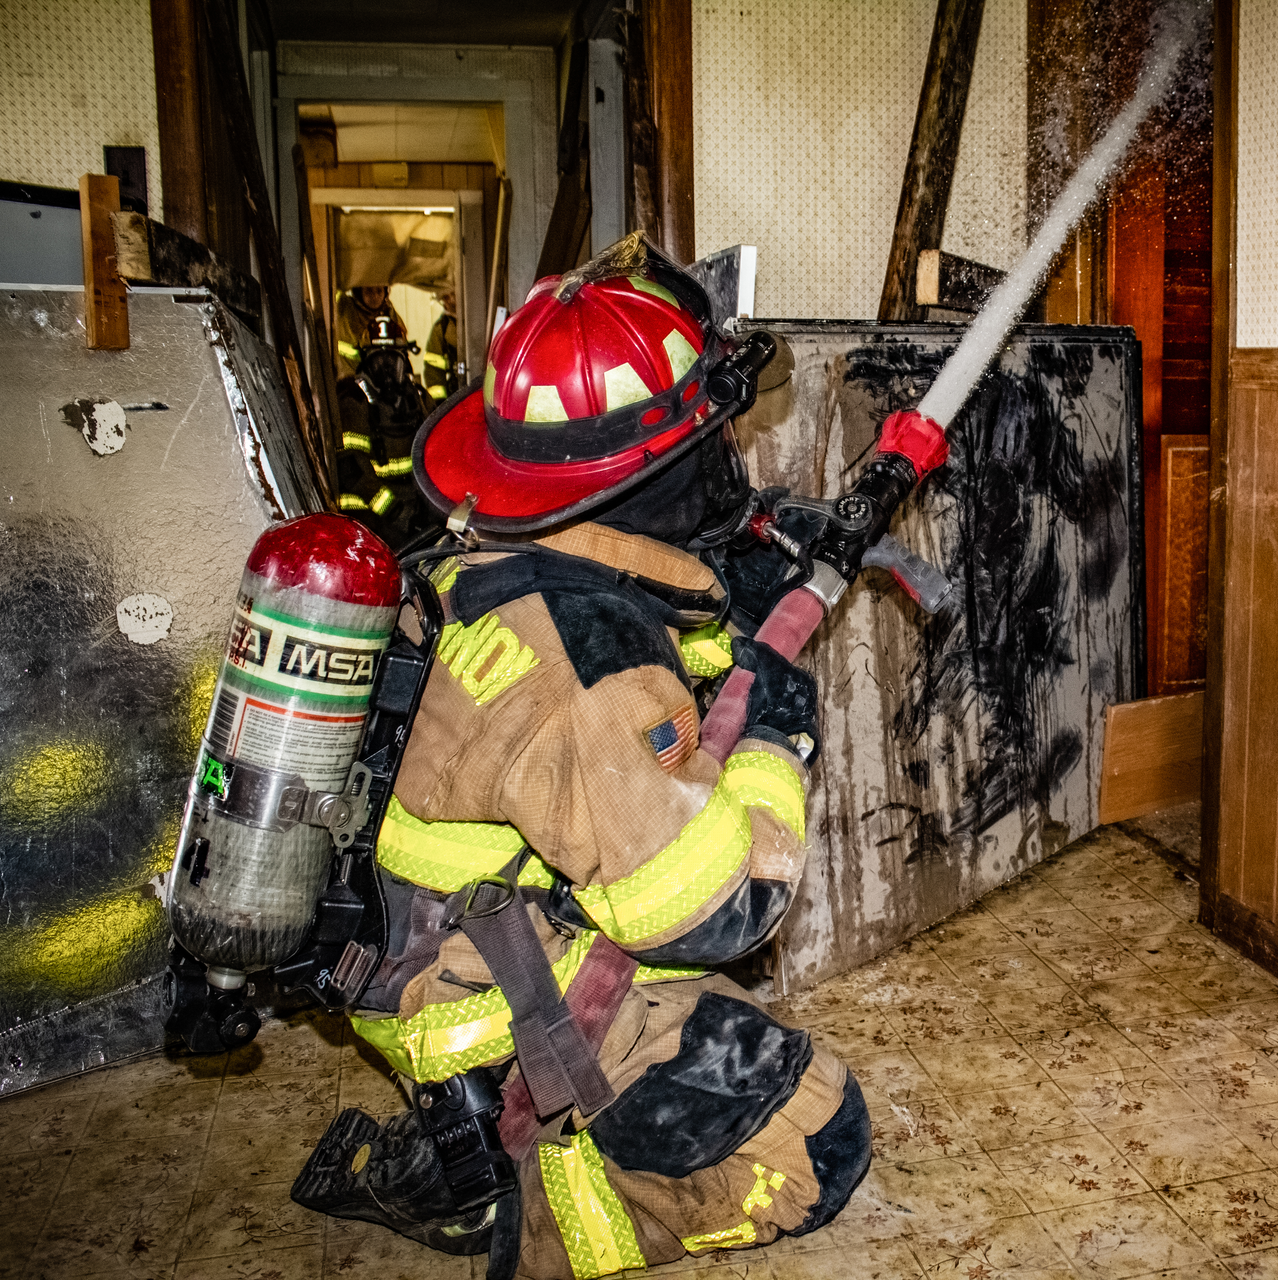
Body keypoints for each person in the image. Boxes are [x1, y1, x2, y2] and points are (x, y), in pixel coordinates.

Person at [292, 234, 871, 1280]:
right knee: (821, 1135)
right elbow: (717, 913)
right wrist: (780, 735)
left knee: (730, 1023)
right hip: (500, 1006)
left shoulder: (495, 561)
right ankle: (535, 1186)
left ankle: (481, 1134)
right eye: (709, 437)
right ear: (667, 464)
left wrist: (733, 572)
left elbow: (644, 639)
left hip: (437, 945)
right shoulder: (586, 665)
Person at [334, 285, 430, 545]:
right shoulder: (353, 401)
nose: (387, 367)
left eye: (393, 358)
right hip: (368, 521)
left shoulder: (416, 397)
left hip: (411, 515)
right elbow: (354, 473)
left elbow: (439, 448)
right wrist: (397, 513)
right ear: (365, 360)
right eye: (378, 358)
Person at [424, 289, 461, 403]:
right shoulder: (440, 329)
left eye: (454, 294)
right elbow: (433, 370)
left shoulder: (480, 319)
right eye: (446, 297)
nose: (452, 301)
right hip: (454, 394)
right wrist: (440, 402)